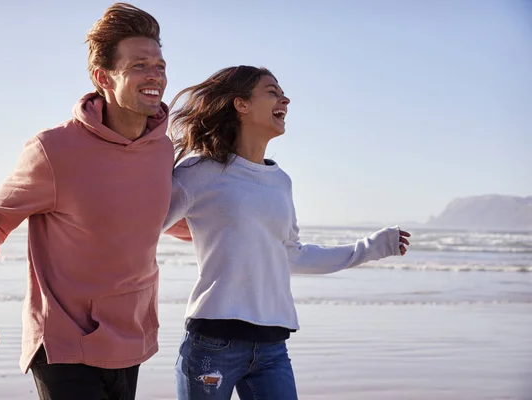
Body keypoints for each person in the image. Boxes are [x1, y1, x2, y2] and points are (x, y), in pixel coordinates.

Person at [0, 3, 173, 399]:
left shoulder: (162, 150)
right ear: (103, 77)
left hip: (131, 340)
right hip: (64, 344)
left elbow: (164, 217)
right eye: (139, 65)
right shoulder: (54, 149)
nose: (155, 75)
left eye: (159, 64)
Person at [163, 65, 411, 400]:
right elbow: (142, 227)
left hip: (272, 347)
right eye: (272, 92)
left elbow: (292, 254)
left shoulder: (280, 181)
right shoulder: (199, 170)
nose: (286, 100)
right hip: (213, 343)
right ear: (241, 104)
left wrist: (372, 247)